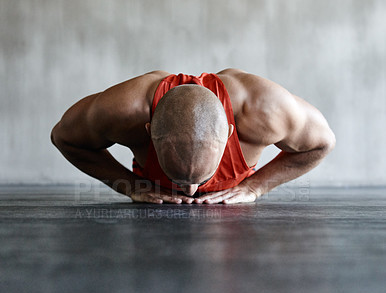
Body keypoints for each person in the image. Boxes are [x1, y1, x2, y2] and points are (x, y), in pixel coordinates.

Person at [51, 69, 335, 204]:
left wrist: (256, 187)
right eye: (178, 179)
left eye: (201, 178)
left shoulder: (264, 109)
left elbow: (323, 143)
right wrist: (129, 186)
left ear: (228, 134)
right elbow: (64, 137)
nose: (190, 192)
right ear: (148, 132)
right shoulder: (123, 112)